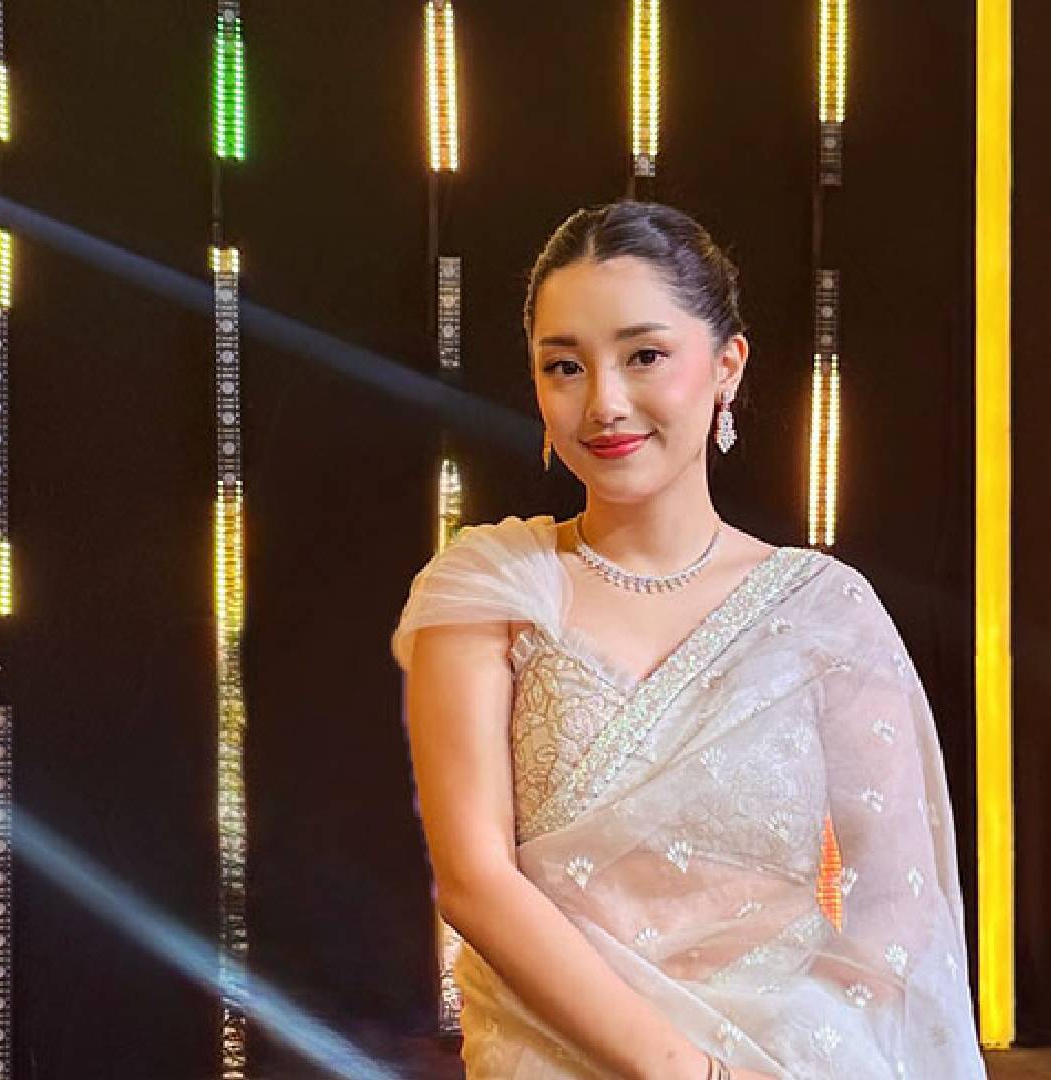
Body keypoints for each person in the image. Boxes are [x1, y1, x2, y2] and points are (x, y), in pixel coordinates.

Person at [391, 200, 986, 1079]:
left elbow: (895, 907)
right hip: (552, 1056)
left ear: (727, 366)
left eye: (644, 356)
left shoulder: (824, 609)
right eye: (564, 366)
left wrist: (796, 1052)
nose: (605, 403)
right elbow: (475, 885)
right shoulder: (493, 589)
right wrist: (690, 1074)